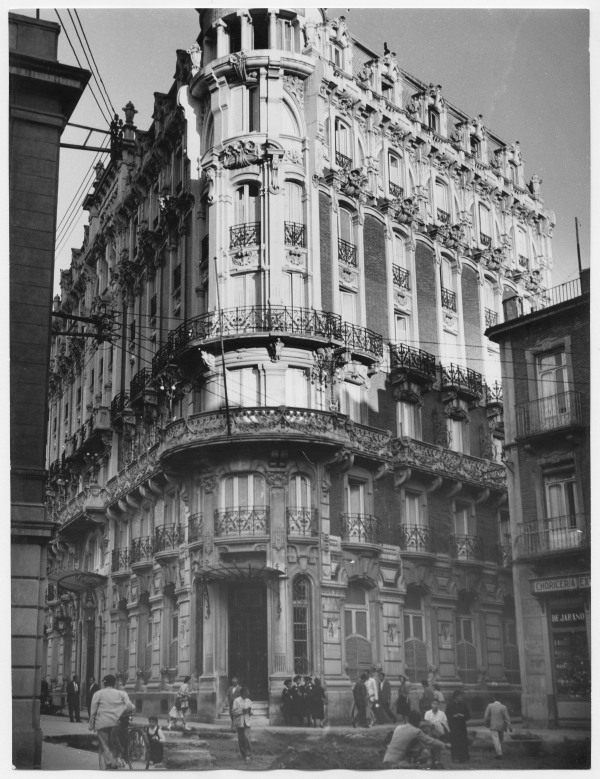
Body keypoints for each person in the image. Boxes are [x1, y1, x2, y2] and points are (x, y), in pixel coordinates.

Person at [88, 674, 135, 769]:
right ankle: (115, 760)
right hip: (117, 723)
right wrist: (121, 711)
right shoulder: (122, 693)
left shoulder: (98, 694)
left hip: (102, 723)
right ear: (115, 683)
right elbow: (130, 707)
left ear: (104, 684)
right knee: (116, 744)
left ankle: (111, 764)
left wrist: (91, 725)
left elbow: (93, 711)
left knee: (105, 745)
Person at [383, 710, 448, 768]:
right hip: (397, 763)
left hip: (386, 760)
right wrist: (444, 745)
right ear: (417, 721)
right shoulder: (416, 731)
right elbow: (429, 741)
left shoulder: (398, 728)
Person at [484, 693, 512, 759]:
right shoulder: (503, 707)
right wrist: (509, 726)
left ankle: (499, 754)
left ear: (494, 698)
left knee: (496, 740)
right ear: (501, 699)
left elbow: (486, 716)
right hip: (501, 726)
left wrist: (486, 723)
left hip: (493, 725)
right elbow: (507, 718)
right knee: (501, 739)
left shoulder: (490, 706)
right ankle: (502, 751)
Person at [445, 689, 471, 763]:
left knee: (463, 742)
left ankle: (463, 757)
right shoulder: (450, 705)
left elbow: (468, 716)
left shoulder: (464, 705)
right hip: (454, 727)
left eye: (461, 696)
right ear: (455, 697)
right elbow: (447, 716)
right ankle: (455, 757)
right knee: (455, 742)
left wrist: (462, 716)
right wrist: (454, 716)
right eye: (459, 696)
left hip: (462, 726)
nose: (461, 697)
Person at [424, 699, 450, 768]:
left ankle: (437, 761)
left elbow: (445, 723)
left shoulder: (442, 714)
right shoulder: (428, 713)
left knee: (437, 746)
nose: (435, 705)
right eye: (434, 704)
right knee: (431, 746)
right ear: (431, 704)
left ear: (439, 705)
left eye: (437, 704)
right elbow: (427, 722)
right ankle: (431, 760)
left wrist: (440, 725)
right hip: (431, 732)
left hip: (439, 733)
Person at [232, 686, 253, 762]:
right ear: (243, 693)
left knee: (247, 738)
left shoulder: (249, 701)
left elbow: (252, 712)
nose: (248, 693)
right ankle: (243, 754)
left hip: (247, 722)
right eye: (247, 692)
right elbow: (234, 712)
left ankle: (248, 754)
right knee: (241, 739)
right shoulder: (236, 701)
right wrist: (241, 711)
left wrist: (250, 711)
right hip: (240, 722)